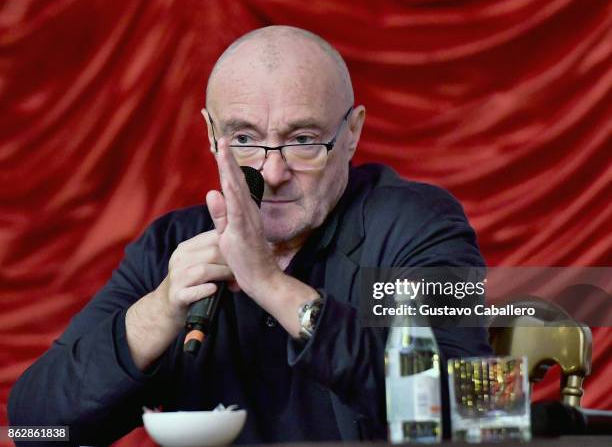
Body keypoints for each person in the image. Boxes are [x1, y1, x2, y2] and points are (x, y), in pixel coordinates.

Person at [8, 25, 492, 445]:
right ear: (212, 135)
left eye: (303, 140)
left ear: (352, 134)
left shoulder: (417, 226)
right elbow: (35, 429)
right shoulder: (171, 246)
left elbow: (464, 408)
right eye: (243, 139)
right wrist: (158, 312)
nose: (272, 169)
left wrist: (270, 284)